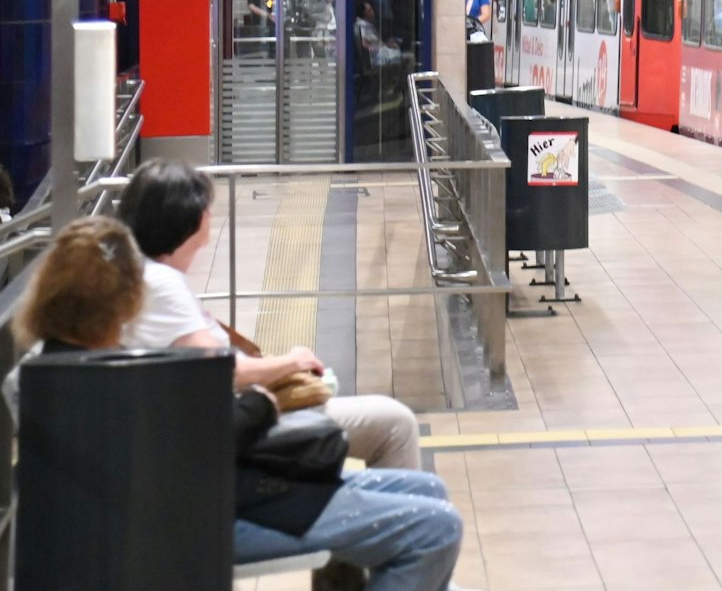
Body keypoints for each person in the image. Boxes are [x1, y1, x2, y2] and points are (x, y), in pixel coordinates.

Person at [14, 216, 466, 591]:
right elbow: (195, 442)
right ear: (121, 303)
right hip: (201, 520)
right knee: (435, 528)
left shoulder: (47, 371)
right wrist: (260, 406)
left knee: (427, 491)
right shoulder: (108, 378)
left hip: (203, 497)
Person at [118, 159, 423, 472]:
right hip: (228, 428)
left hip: (210, 423)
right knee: (395, 424)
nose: (211, 214)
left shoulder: (142, 276)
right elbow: (219, 370)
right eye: (206, 207)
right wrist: (293, 361)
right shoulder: (160, 284)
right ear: (188, 218)